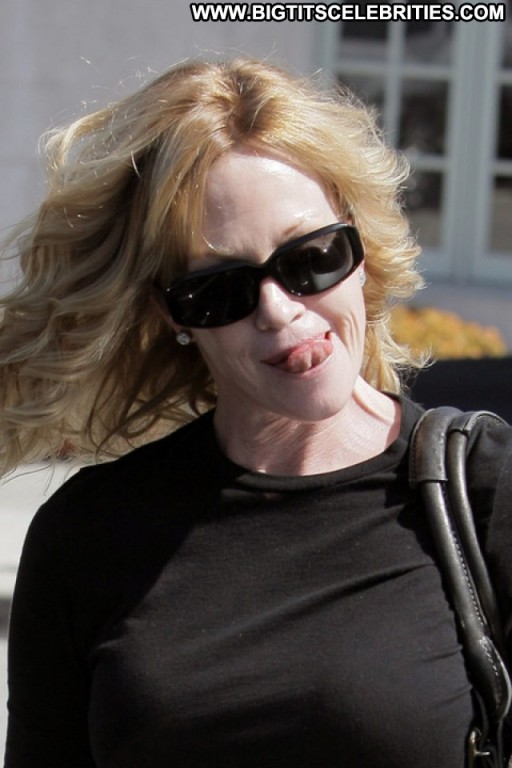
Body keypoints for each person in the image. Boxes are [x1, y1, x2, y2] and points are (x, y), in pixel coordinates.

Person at [1, 57, 511, 768]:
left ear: (359, 245)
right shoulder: (86, 536)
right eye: (220, 290)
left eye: (312, 258)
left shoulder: (483, 492)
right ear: (173, 315)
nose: (279, 311)